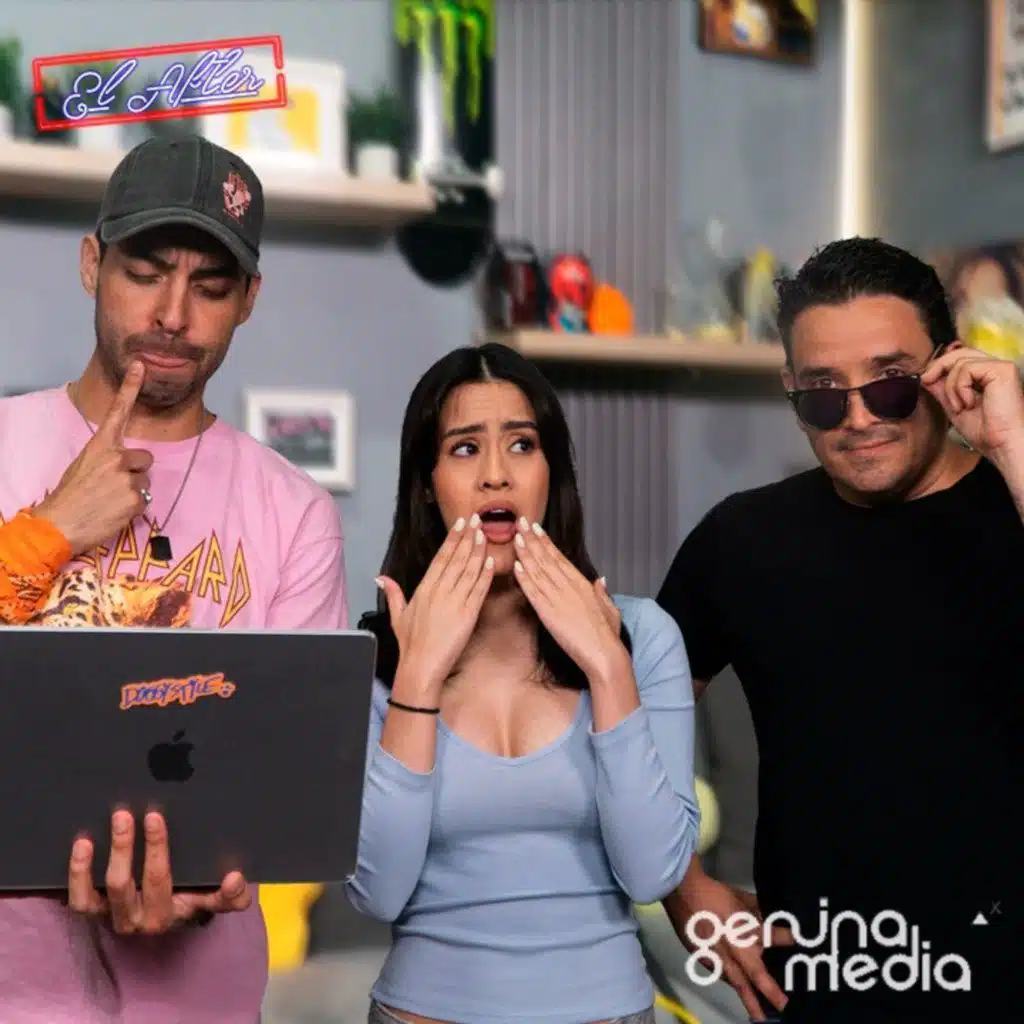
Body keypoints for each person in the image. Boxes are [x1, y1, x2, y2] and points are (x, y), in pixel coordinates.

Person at [0, 135, 346, 1021]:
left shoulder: (295, 511)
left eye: (211, 288)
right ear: (92, 264)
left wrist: (208, 875)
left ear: (249, 300)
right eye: (146, 273)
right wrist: (49, 533)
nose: (172, 315)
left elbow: (292, 784)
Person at [656, 237, 1021, 1022]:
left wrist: (1014, 449)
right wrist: (681, 887)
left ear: (948, 366)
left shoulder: (1014, 502)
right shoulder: (743, 540)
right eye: (823, 394)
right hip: (825, 988)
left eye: (890, 385)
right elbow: (624, 718)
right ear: (791, 390)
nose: (858, 418)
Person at [344, 342, 701, 1023]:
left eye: (522, 444)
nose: (496, 476)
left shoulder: (643, 636)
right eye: (465, 449)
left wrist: (608, 668)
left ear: (550, 472)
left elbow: (654, 872)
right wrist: (418, 674)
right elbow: (376, 893)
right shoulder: (378, 657)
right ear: (427, 484)